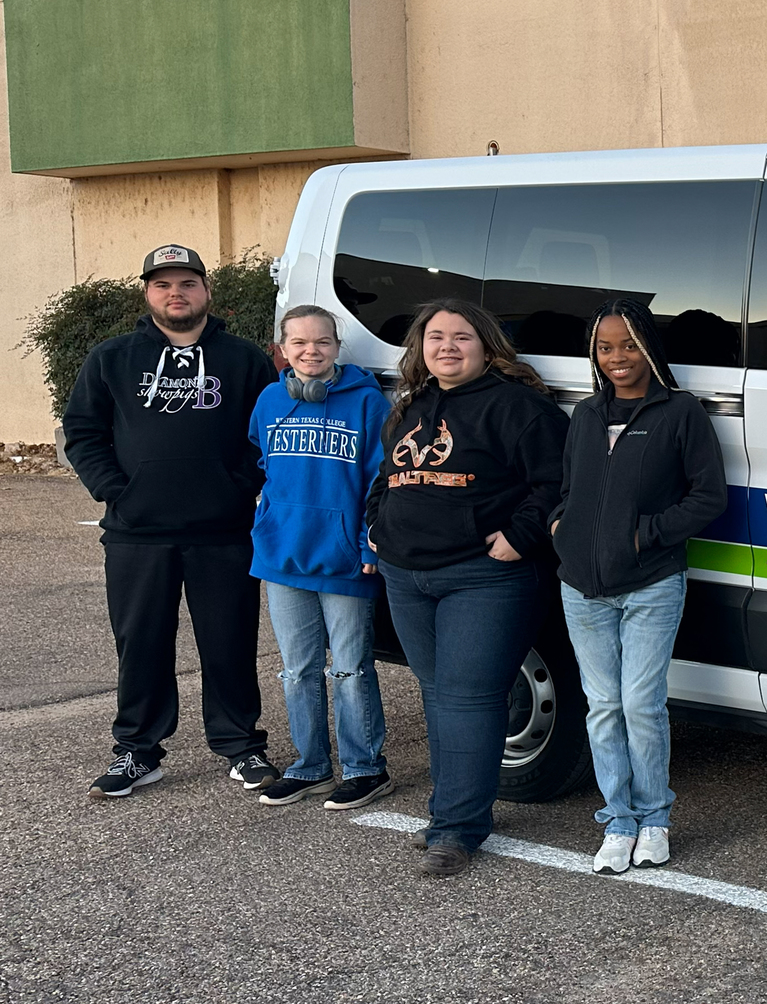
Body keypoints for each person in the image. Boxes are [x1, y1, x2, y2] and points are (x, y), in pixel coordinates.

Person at [63, 244, 279, 798]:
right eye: (163, 285)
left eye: (186, 283)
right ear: (147, 294)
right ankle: (138, 751)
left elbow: (269, 432)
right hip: (137, 533)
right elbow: (83, 433)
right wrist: (115, 491)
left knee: (229, 642)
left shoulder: (242, 359)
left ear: (206, 291)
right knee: (142, 644)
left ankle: (241, 747)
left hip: (222, 532)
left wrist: (240, 488)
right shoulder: (111, 358)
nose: (175, 293)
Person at [367, 297, 569, 876]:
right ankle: (448, 814)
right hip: (407, 576)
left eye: (461, 337)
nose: (447, 347)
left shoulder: (520, 409)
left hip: (484, 576)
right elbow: (388, 475)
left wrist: (522, 536)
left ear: (487, 347)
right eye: (435, 337)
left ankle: (457, 828)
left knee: (468, 697)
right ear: (420, 348)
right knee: (438, 693)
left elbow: (556, 481)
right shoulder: (411, 406)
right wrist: (376, 525)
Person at [549, 298, 727, 875]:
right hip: (581, 587)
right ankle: (618, 822)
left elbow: (707, 497)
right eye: (605, 348)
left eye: (628, 345)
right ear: (594, 355)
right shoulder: (584, 416)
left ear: (648, 347)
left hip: (651, 582)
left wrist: (645, 535)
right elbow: (566, 488)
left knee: (640, 705)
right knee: (602, 707)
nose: (618, 358)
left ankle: (655, 820)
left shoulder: (679, 413)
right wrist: (562, 529)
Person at [248, 305, 394, 811]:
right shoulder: (269, 400)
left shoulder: (368, 404)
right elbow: (260, 463)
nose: (311, 351)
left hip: (345, 558)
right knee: (296, 670)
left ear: (336, 346)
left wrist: (364, 543)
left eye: (322, 342)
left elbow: (380, 480)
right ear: (283, 350)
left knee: (350, 669)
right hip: (281, 555)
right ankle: (309, 766)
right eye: (300, 343)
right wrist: (268, 518)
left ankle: (364, 768)